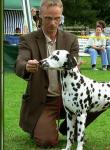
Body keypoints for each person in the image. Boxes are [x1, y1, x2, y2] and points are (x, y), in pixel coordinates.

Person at [15, 0, 103, 148]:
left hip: (69, 96)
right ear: (40, 16)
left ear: (61, 17)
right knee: (47, 141)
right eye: (49, 18)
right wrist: (26, 66)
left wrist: (76, 65)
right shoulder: (28, 39)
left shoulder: (71, 39)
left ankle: (67, 129)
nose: (53, 22)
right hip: (45, 100)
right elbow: (19, 62)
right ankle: (40, 125)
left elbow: (74, 63)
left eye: (57, 18)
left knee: (103, 96)